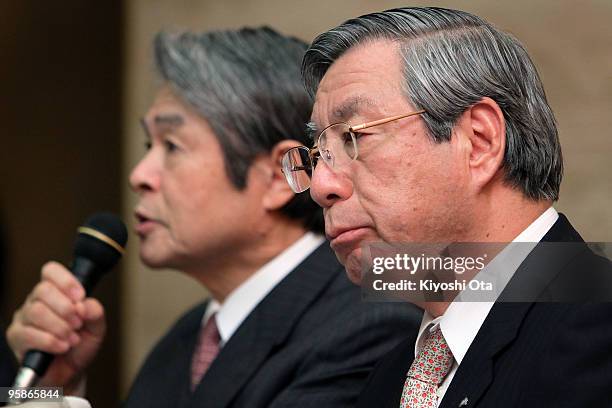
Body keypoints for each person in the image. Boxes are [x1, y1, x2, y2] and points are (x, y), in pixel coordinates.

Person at [6, 27, 420, 407]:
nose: (139, 176)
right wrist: (56, 386)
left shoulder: (371, 318)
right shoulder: (185, 338)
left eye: (172, 146)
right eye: (148, 143)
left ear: (279, 177)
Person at [281, 7, 612, 407]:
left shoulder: (597, 331)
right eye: (319, 153)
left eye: (353, 136)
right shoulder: (390, 377)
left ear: (479, 141)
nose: (320, 187)